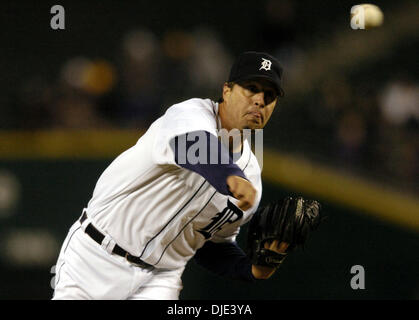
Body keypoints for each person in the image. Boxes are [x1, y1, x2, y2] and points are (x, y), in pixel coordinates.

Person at [52, 51, 288, 300]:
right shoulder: (189, 114)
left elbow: (211, 244)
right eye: (251, 88)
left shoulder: (252, 179)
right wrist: (231, 177)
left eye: (269, 96)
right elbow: (193, 145)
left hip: (160, 279)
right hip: (96, 256)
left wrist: (252, 269)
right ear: (227, 91)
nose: (259, 100)